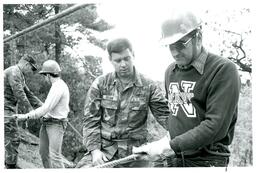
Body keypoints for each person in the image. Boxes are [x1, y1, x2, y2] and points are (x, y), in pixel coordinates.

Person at [133, 10, 241, 167]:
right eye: (170, 46)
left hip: (206, 161)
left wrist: (169, 146)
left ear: (198, 38)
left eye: (180, 44)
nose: (175, 52)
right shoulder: (171, 72)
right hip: (174, 158)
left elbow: (215, 127)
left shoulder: (223, 70)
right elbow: (177, 115)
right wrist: (164, 142)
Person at [78, 38, 170, 168]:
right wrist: (95, 151)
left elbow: (166, 118)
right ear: (110, 60)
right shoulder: (100, 84)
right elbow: (90, 120)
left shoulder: (149, 86)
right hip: (106, 151)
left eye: (127, 58)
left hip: (136, 154)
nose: (123, 64)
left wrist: (179, 139)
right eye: (118, 60)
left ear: (133, 55)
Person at [15, 60, 70, 168]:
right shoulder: (55, 86)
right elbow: (47, 108)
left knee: (55, 156)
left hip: (56, 124)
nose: (44, 78)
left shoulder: (59, 87)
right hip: (47, 122)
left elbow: (45, 108)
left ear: (48, 75)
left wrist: (26, 116)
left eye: (44, 75)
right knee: (44, 153)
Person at [4, 55, 43, 169]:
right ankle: (10, 167)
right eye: (32, 68)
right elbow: (20, 94)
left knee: (9, 137)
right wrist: (31, 111)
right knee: (13, 138)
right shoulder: (14, 72)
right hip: (5, 108)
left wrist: (44, 106)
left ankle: (9, 163)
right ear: (26, 64)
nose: (31, 71)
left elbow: (29, 94)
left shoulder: (19, 74)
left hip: (9, 108)